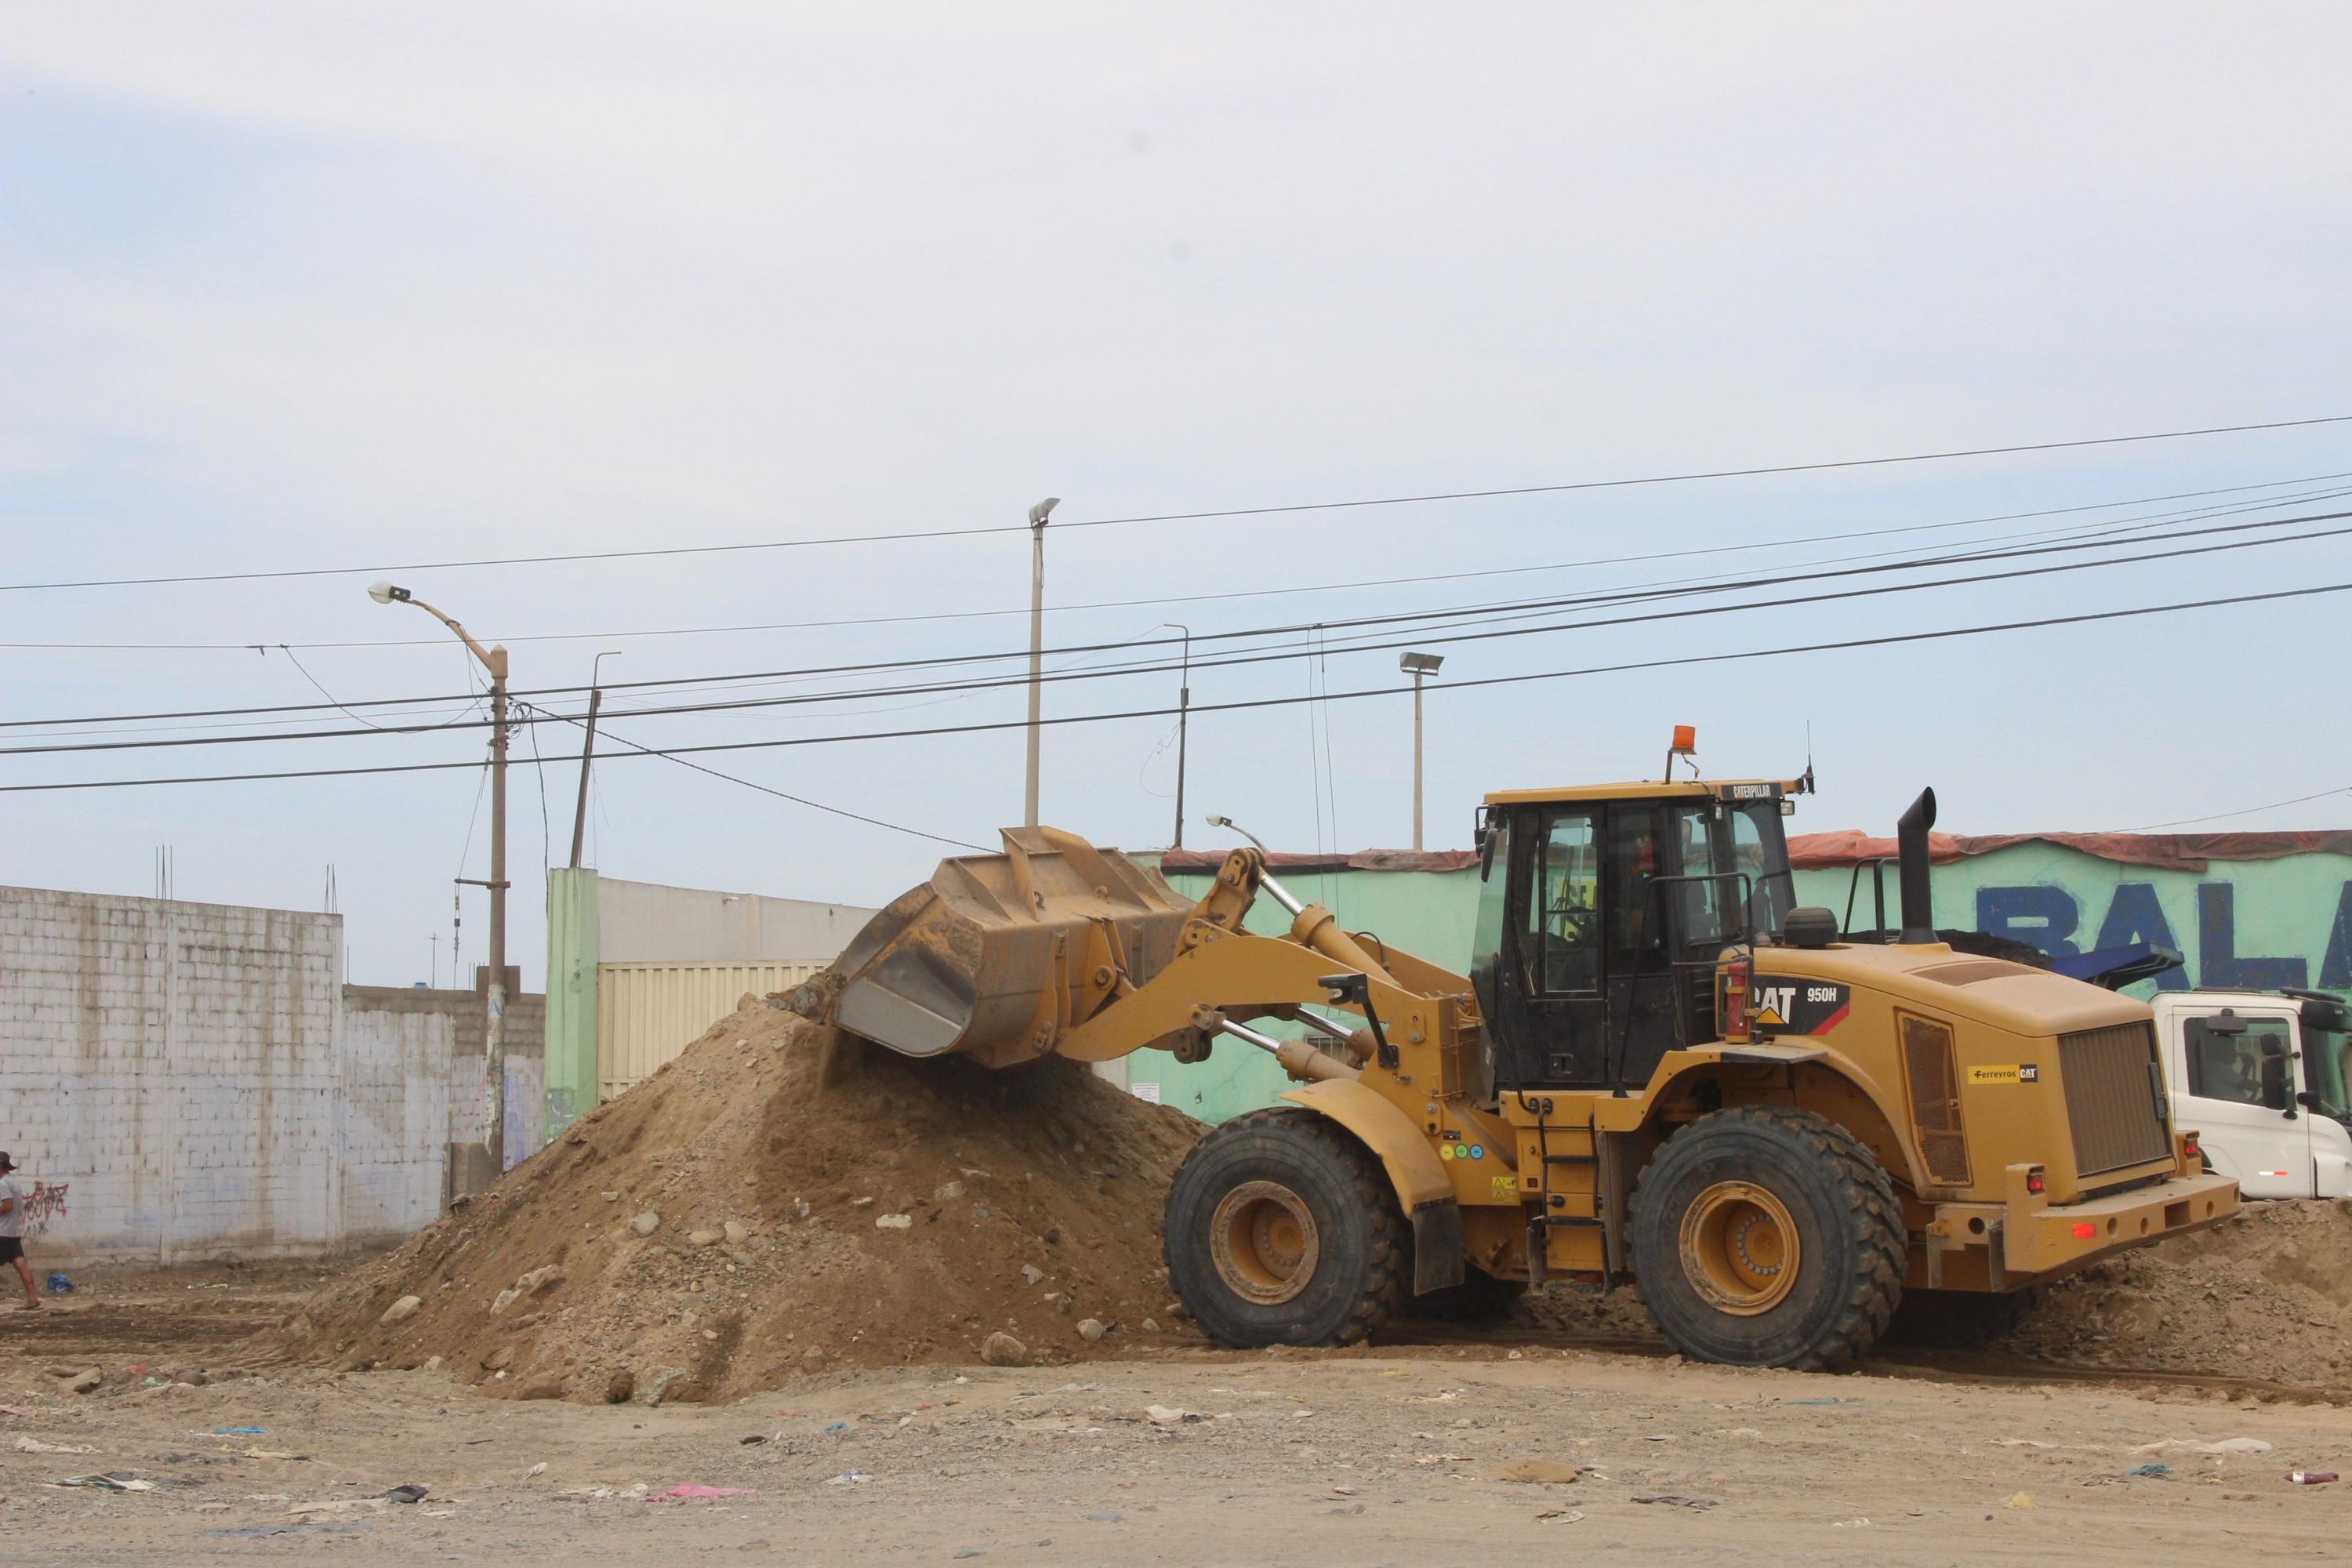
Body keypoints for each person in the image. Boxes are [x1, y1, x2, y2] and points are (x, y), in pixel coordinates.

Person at [0, 1154, 41, 1310]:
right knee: (20, 1263)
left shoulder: (2, 1184)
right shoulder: (13, 1181)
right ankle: (33, 1298)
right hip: (13, 1231)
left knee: (20, 1264)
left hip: (2, 1232)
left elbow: (7, 1205)